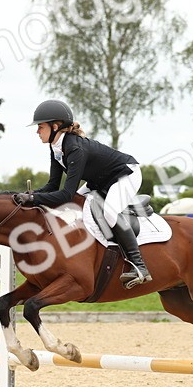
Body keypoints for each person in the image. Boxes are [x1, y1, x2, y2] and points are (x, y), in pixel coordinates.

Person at [13, 99, 152, 287]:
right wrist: (30, 196)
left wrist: (34, 198)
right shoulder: (56, 147)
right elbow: (53, 186)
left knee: (109, 213)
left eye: (41, 127)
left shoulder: (74, 148)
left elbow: (65, 194)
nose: (37, 131)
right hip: (100, 180)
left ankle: (139, 266)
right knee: (76, 206)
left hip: (125, 174)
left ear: (55, 126)